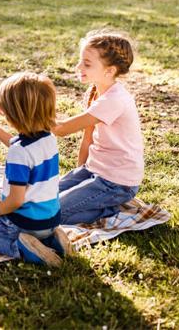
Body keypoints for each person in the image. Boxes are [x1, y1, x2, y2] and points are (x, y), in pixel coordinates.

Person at [0, 72, 72, 267]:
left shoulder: (18, 153)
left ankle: (22, 248)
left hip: (25, 223)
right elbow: (19, 146)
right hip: (50, 220)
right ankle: (52, 239)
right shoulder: (48, 138)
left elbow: (16, 201)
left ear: (14, 114)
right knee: (40, 229)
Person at [52, 30, 143, 225]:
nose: (78, 67)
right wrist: (79, 176)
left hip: (117, 183)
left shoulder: (114, 100)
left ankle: (110, 208)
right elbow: (88, 138)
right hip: (94, 170)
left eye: (87, 63)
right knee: (42, 198)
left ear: (109, 71)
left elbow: (61, 129)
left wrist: (28, 108)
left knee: (51, 215)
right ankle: (95, 200)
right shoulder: (94, 92)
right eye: (80, 61)